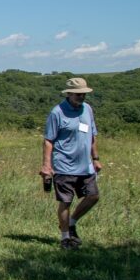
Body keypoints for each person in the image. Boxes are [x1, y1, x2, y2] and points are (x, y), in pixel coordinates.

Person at [40, 77, 101, 250]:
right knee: (66, 202)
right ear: (69, 94)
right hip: (64, 164)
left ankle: (71, 222)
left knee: (93, 196)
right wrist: (46, 166)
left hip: (85, 165)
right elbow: (48, 140)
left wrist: (95, 158)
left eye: (83, 94)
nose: (81, 97)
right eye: (78, 94)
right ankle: (65, 237)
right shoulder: (57, 112)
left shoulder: (87, 109)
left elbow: (92, 135)